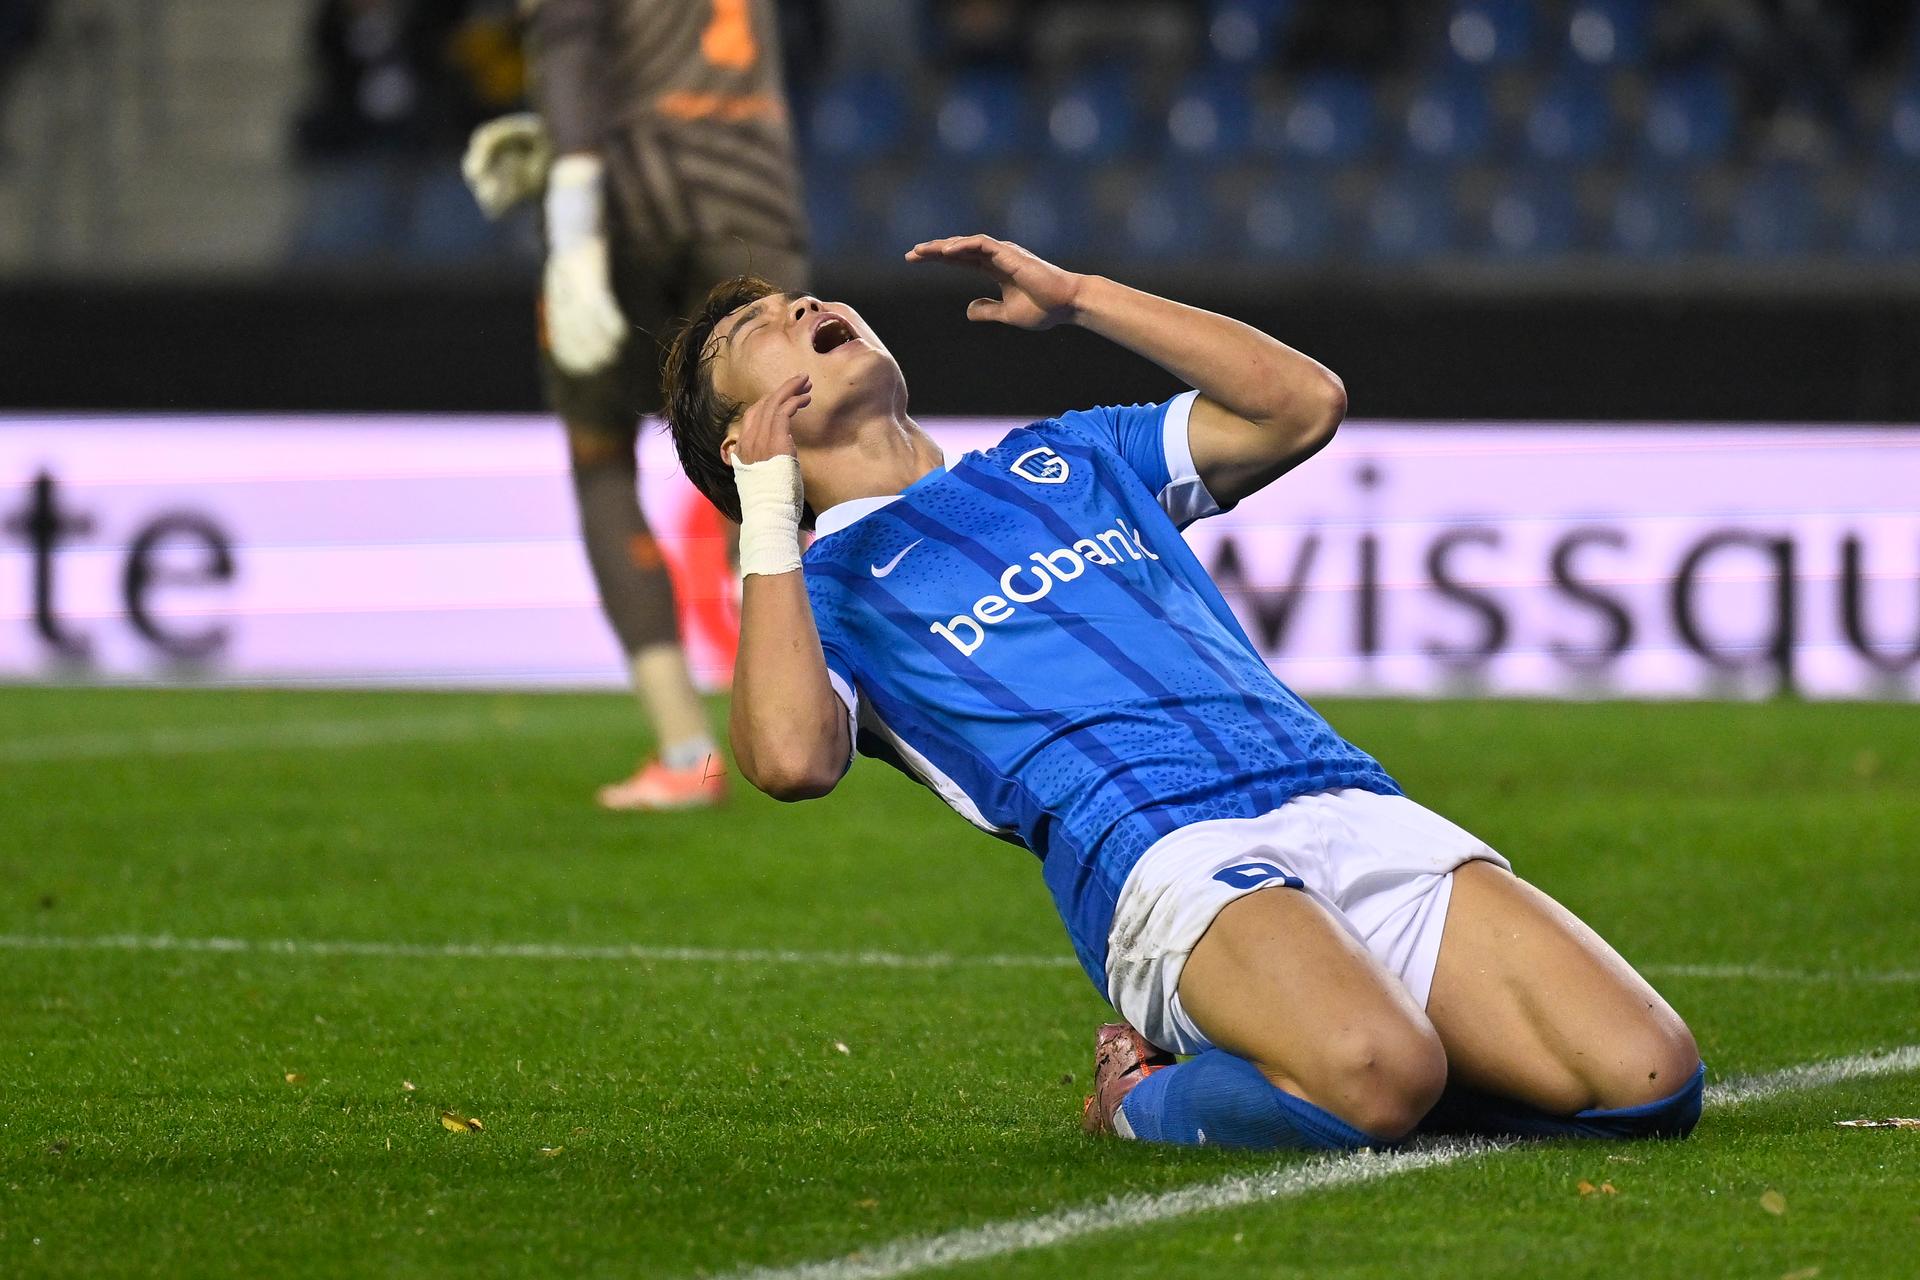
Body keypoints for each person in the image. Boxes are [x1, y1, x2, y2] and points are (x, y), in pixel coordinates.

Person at [658, 234, 1703, 1150]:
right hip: (1164, 850)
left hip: (1342, 794)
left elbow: (1301, 403)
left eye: (795, 299)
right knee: (1379, 1072)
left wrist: (1079, 299)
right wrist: (762, 509)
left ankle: (1337, 1056)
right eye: (752, 326)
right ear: (741, 434)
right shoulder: (822, 593)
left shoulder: (1068, 453)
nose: (798, 307)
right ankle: (1140, 1096)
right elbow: (792, 758)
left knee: (1649, 1080)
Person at [466, 0, 808, 809]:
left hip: (634, 199)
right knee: (777, 443)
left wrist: (573, 204)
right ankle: (829, 705)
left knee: (600, 457)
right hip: (759, 191)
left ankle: (687, 751)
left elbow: (572, 40)